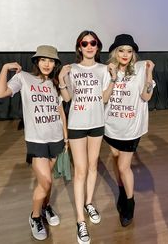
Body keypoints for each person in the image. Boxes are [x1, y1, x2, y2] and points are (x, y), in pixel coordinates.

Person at [0, 45, 68, 241]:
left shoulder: (54, 83)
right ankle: (35, 216)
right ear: (36, 61)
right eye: (43, 59)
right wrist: (4, 68)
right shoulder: (24, 78)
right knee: (46, 181)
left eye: (51, 60)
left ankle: (45, 207)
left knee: (47, 180)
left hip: (56, 138)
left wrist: (66, 137)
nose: (47, 64)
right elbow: (0, 93)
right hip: (36, 140)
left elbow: (60, 111)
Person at [58, 30, 116, 244]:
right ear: (79, 47)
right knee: (80, 170)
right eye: (85, 43)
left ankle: (88, 203)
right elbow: (67, 98)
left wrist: (113, 79)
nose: (89, 46)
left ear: (98, 46)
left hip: (97, 124)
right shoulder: (71, 69)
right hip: (76, 125)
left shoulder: (103, 69)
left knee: (93, 167)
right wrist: (62, 79)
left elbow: (104, 98)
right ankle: (80, 221)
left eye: (93, 43)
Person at [104, 34, 155, 227]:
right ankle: (122, 192)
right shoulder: (108, 70)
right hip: (111, 127)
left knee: (124, 166)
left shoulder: (140, 69)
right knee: (116, 161)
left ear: (133, 54)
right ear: (115, 53)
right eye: (121, 50)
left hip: (131, 129)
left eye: (129, 51)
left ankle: (130, 202)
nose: (125, 54)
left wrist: (149, 74)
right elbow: (104, 99)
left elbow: (146, 96)